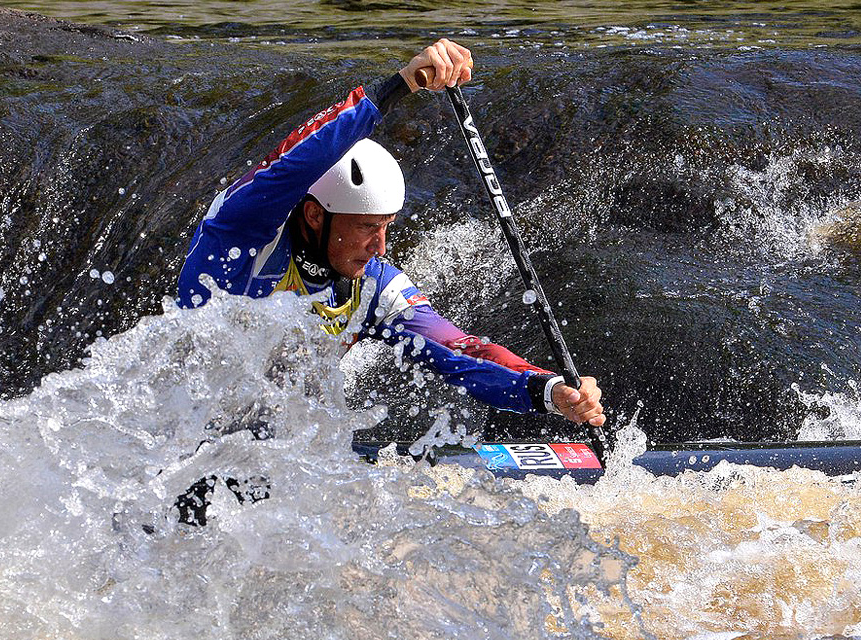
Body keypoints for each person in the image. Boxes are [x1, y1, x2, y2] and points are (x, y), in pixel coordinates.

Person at [177, 39, 605, 430]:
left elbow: (461, 351)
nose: (379, 247)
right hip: (179, 434)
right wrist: (400, 85)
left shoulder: (373, 288)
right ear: (312, 215)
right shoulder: (243, 235)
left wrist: (550, 391)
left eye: (385, 227)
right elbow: (296, 159)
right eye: (366, 227)